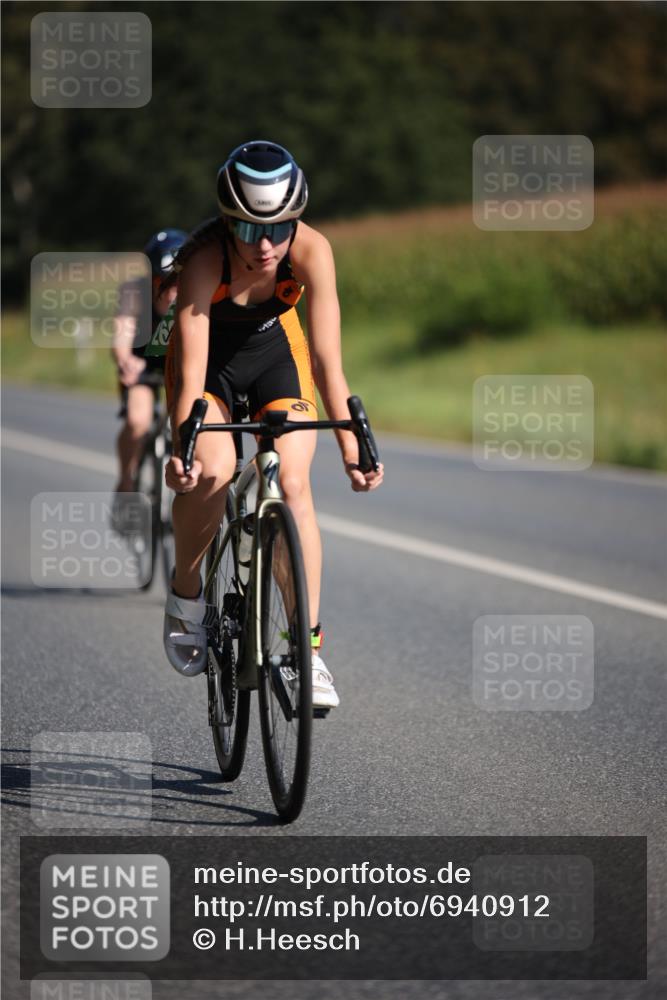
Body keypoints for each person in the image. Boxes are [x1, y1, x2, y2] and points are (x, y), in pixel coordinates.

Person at [162, 140, 384, 708]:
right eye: (248, 230)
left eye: (279, 228)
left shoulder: (312, 250)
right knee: (212, 472)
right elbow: (189, 376)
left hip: (276, 357)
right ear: (226, 222)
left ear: (296, 220)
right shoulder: (204, 263)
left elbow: (328, 362)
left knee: (293, 483)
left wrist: (350, 445)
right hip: (209, 368)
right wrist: (182, 446)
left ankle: (304, 648)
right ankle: (187, 598)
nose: (265, 245)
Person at [112, 229, 187, 509]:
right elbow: (122, 333)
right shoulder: (134, 292)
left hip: (179, 366)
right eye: (162, 281)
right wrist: (124, 360)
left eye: (178, 281)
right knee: (137, 422)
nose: (171, 290)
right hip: (141, 364)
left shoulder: (197, 291)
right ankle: (126, 480)